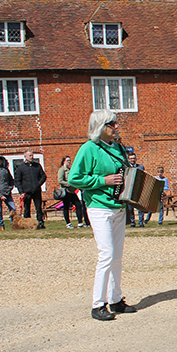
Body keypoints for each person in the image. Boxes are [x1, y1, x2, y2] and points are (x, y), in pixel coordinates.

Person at [67, 110, 137, 321]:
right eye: (111, 123)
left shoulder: (118, 148)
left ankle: (115, 300)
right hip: (99, 207)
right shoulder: (88, 149)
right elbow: (74, 178)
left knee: (116, 256)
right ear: (100, 126)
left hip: (118, 207)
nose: (116, 126)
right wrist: (101, 181)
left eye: (116, 123)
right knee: (106, 254)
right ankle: (98, 304)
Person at [14, 149, 46, 229]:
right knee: (27, 209)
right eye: (30, 155)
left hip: (36, 191)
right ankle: (27, 224)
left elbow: (43, 176)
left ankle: (40, 223)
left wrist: (38, 184)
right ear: (25, 157)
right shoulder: (21, 167)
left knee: (38, 208)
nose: (32, 157)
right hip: (26, 192)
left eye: (32, 155)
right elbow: (17, 180)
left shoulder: (37, 166)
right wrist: (21, 191)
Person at [57, 156, 87, 228]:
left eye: (70, 160)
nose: (69, 162)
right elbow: (60, 180)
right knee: (66, 207)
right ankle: (68, 223)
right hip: (66, 191)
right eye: (67, 160)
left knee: (78, 205)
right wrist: (68, 184)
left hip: (72, 191)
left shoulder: (70, 170)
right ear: (64, 161)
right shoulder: (62, 170)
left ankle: (80, 222)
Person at [125, 153, 145, 227]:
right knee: (130, 208)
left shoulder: (141, 167)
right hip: (129, 190)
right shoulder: (126, 167)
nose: (132, 160)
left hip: (139, 189)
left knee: (140, 207)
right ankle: (132, 222)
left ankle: (141, 222)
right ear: (128, 159)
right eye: (131, 158)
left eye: (134, 158)